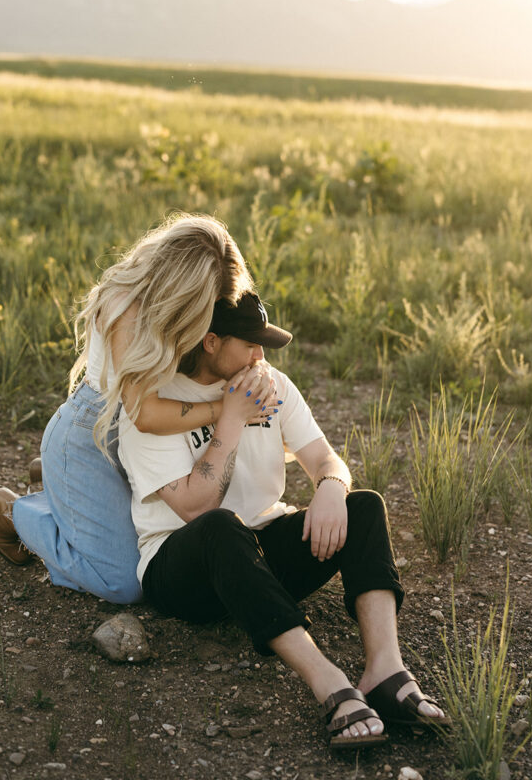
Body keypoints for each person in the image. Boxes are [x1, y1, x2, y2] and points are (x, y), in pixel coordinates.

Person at [118, 292, 450, 750]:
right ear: (211, 342)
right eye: (251, 345)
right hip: (184, 571)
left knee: (366, 506)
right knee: (221, 525)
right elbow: (196, 509)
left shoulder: (271, 383)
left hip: (260, 552)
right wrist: (230, 419)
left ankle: (385, 671)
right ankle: (327, 679)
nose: (261, 356)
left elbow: (323, 458)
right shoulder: (155, 409)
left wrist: (332, 486)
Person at [0, 213, 275, 604]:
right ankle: (13, 510)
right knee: (124, 583)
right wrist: (227, 409)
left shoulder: (200, 299)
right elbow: (144, 415)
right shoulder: (126, 305)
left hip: (153, 443)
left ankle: (61, 489)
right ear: (179, 282)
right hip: (95, 435)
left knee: (162, 553)